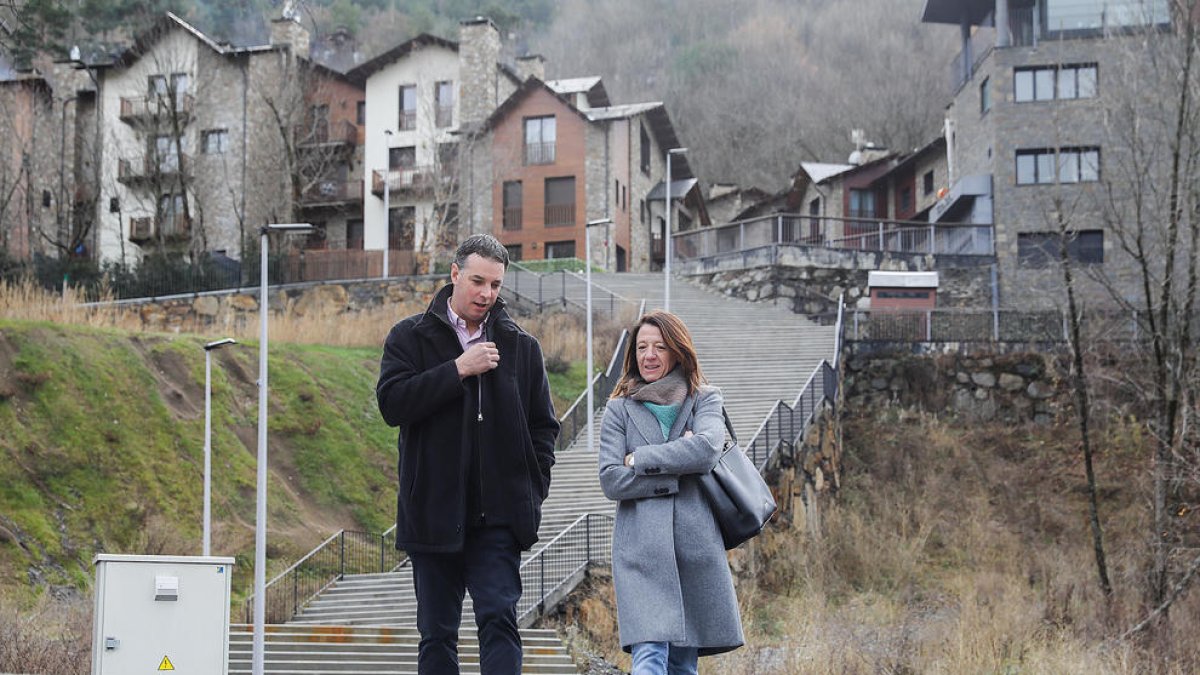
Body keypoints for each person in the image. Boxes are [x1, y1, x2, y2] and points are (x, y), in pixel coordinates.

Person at [376, 233, 559, 674]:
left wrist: (531, 491)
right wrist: (458, 369)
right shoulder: (409, 337)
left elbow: (544, 428)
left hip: (498, 518)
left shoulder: (522, 347)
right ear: (455, 274)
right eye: (478, 281)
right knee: (437, 635)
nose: (486, 294)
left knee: (499, 620)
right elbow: (392, 404)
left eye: (496, 285)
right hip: (433, 515)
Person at [598, 310, 744, 674]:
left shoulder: (704, 398)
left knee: (682, 665)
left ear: (677, 352)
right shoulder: (618, 409)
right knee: (648, 658)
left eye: (659, 347)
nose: (649, 355)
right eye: (642, 347)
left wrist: (640, 459)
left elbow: (708, 449)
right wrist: (680, 467)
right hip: (641, 555)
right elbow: (612, 479)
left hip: (694, 548)